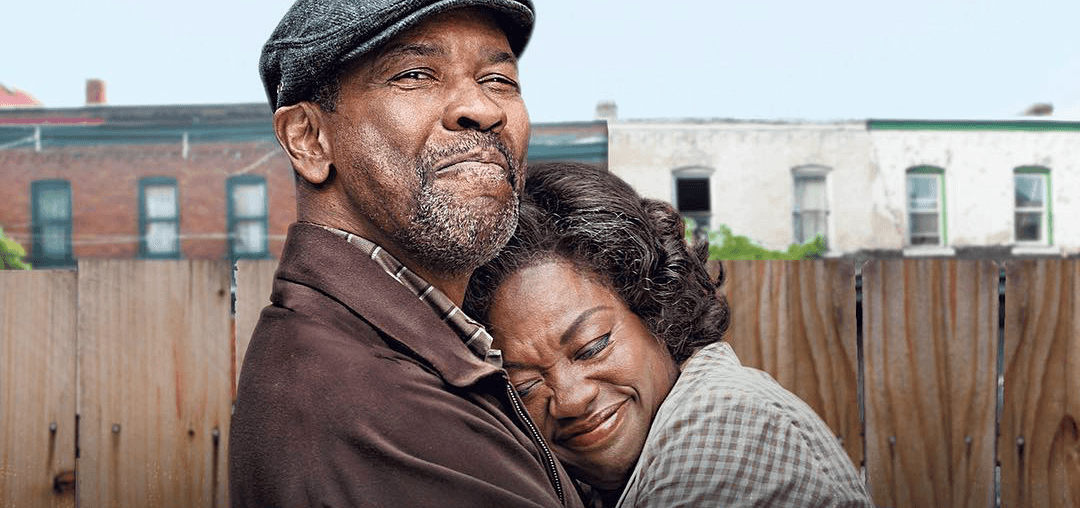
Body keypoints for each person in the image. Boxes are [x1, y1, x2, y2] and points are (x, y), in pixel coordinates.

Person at [229, 1, 584, 507]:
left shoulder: (413, 354)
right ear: (309, 139)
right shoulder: (372, 405)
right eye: (415, 75)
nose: (484, 109)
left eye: (499, 80)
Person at [464, 162, 874, 507]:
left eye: (592, 348)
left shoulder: (724, 427)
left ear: (658, 314)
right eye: (526, 385)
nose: (571, 399)